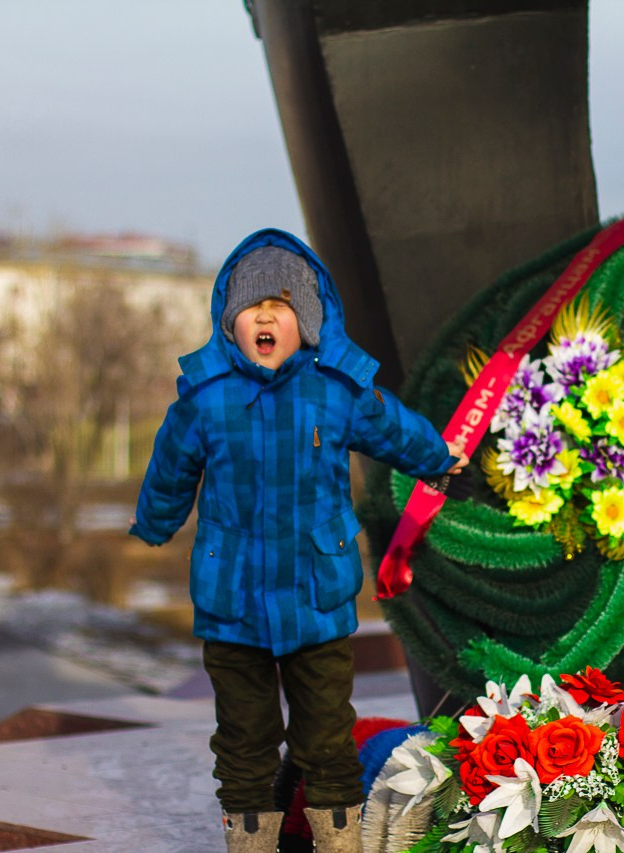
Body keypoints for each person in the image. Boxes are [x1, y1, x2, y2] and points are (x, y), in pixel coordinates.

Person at [129, 229, 465, 853]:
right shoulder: (205, 396)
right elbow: (171, 464)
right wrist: (156, 520)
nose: (264, 317)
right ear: (229, 322)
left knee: (327, 736)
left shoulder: (337, 390)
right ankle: (251, 839)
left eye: (279, 308)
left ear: (306, 323)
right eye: (251, 308)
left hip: (317, 596)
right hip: (232, 602)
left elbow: (392, 428)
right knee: (244, 739)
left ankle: (338, 840)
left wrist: (439, 458)